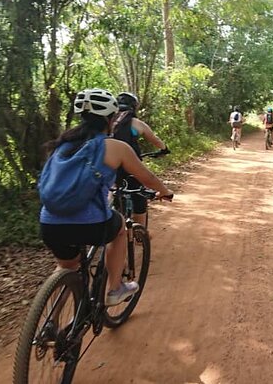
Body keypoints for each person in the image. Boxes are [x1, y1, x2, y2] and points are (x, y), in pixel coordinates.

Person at [39, 89, 173, 306]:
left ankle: (50, 324)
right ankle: (115, 288)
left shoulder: (63, 144)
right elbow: (147, 177)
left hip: (49, 223)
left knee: (67, 266)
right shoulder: (114, 147)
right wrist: (164, 191)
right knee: (120, 228)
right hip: (91, 224)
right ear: (110, 118)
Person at [112, 92, 167, 230]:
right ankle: (140, 233)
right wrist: (164, 149)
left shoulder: (108, 122)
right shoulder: (136, 123)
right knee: (139, 196)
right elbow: (154, 139)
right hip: (130, 166)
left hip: (108, 166)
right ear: (134, 107)